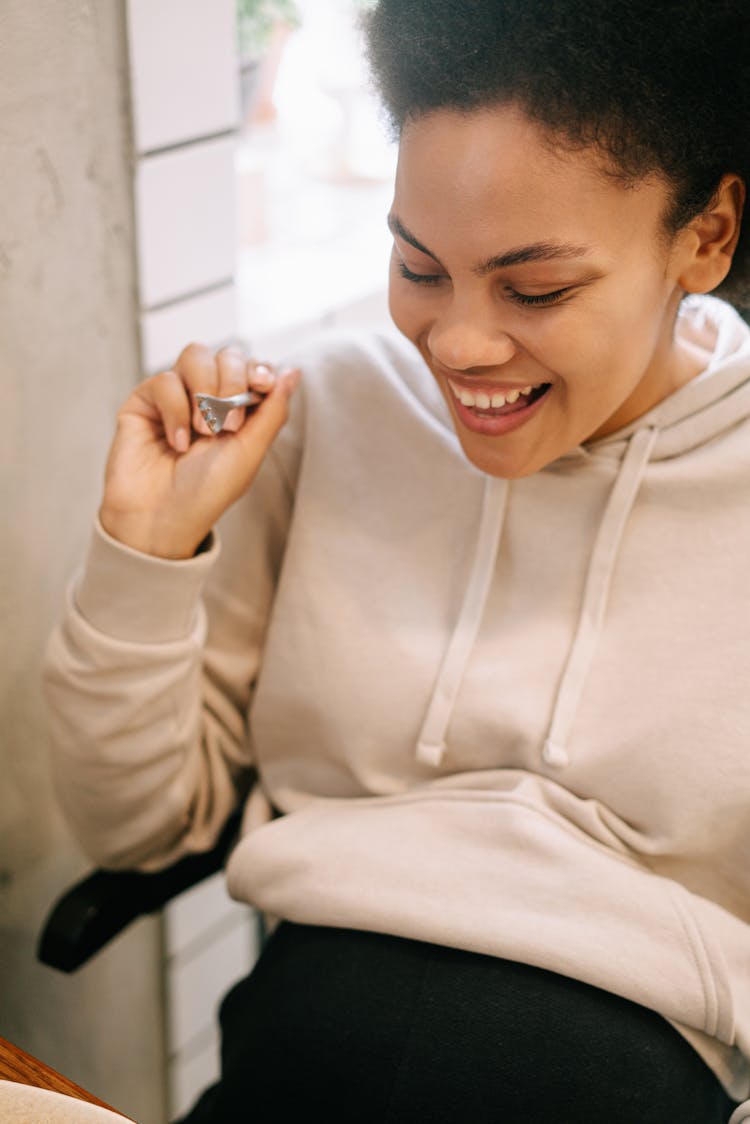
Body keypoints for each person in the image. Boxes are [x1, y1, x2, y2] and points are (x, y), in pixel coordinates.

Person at [43, 1, 750, 1120]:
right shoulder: (327, 415)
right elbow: (135, 827)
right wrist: (148, 544)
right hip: (300, 1056)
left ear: (704, 237)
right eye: (420, 266)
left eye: (536, 288)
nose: (460, 343)